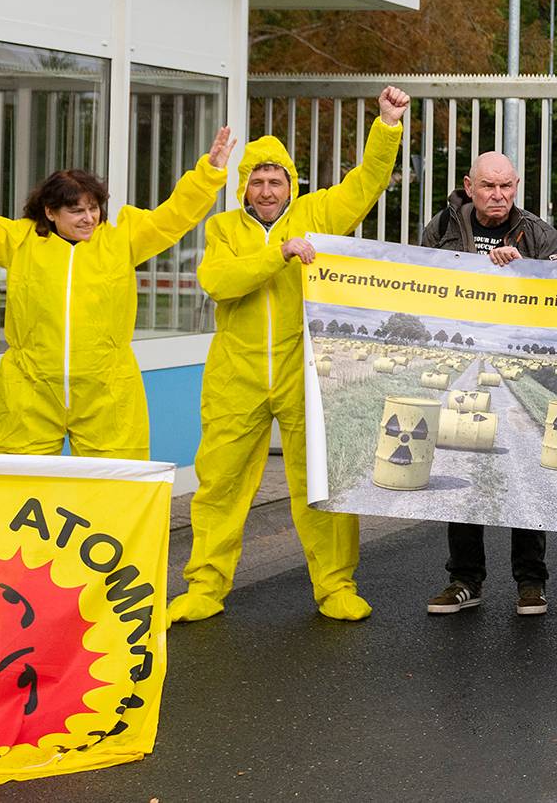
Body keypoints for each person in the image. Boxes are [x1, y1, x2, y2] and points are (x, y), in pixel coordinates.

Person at [173, 86, 409, 624]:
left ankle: (335, 587)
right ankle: (204, 586)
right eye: (256, 179)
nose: (265, 188)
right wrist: (277, 255)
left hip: (308, 371)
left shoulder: (316, 214)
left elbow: (364, 185)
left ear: (290, 184)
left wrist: (387, 127)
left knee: (319, 484)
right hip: (237, 376)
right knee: (221, 484)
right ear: (243, 187)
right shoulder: (223, 229)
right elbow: (219, 281)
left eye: (275, 179)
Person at [0, 119, 229, 459]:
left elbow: (175, 216)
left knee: (112, 484)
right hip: (32, 388)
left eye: (93, 208)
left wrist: (209, 173)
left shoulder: (122, 241)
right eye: (76, 210)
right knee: (20, 480)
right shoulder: (20, 241)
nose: (88, 218)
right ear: (50, 212)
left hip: (107, 390)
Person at [417, 149, 557, 615]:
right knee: (464, 467)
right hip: (461, 367)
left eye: (506, 186)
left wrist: (528, 267)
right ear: (469, 186)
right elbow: (419, 285)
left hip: (519, 369)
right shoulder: (440, 231)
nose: (498, 195)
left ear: (517, 185)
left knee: (525, 471)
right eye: (488, 186)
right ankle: (465, 579)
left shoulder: (541, 234)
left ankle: (530, 581)